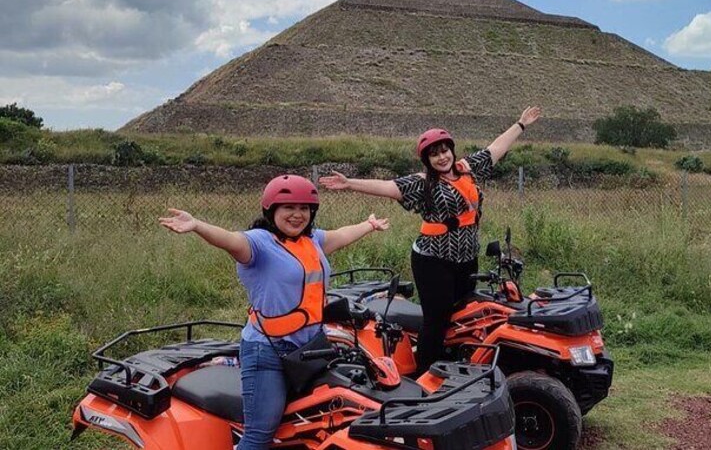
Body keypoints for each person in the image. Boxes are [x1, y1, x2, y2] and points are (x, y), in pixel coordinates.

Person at [159, 174, 389, 450]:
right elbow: (230, 240)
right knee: (260, 434)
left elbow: (340, 236)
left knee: (317, 419)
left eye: (304, 208)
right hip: (267, 351)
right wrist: (197, 225)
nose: (297, 215)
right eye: (288, 208)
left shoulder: (312, 240)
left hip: (311, 347)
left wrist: (368, 225)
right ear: (271, 211)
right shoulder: (259, 244)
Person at [319, 106, 541, 373]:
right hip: (433, 261)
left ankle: (455, 362)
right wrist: (350, 183)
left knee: (463, 313)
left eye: (444, 150)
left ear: (452, 150)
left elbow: (496, 148)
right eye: (434, 155)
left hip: (467, 259)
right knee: (437, 320)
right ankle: (426, 374)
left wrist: (521, 124)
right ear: (427, 160)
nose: (441, 157)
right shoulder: (422, 183)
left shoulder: (468, 170)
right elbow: (389, 187)